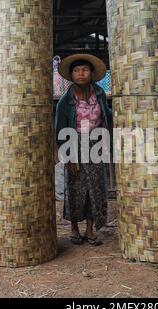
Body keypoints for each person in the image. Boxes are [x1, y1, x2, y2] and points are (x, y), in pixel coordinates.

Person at [54, 54, 112, 246]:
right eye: (77, 70)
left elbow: (107, 117)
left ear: (92, 73)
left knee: (95, 187)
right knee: (75, 187)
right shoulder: (65, 100)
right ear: (71, 75)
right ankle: (74, 229)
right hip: (74, 143)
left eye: (85, 70)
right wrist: (67, 156)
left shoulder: (100, 94)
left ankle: (89, 230)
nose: (81, 73)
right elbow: (60, 129)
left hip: (96, 143)